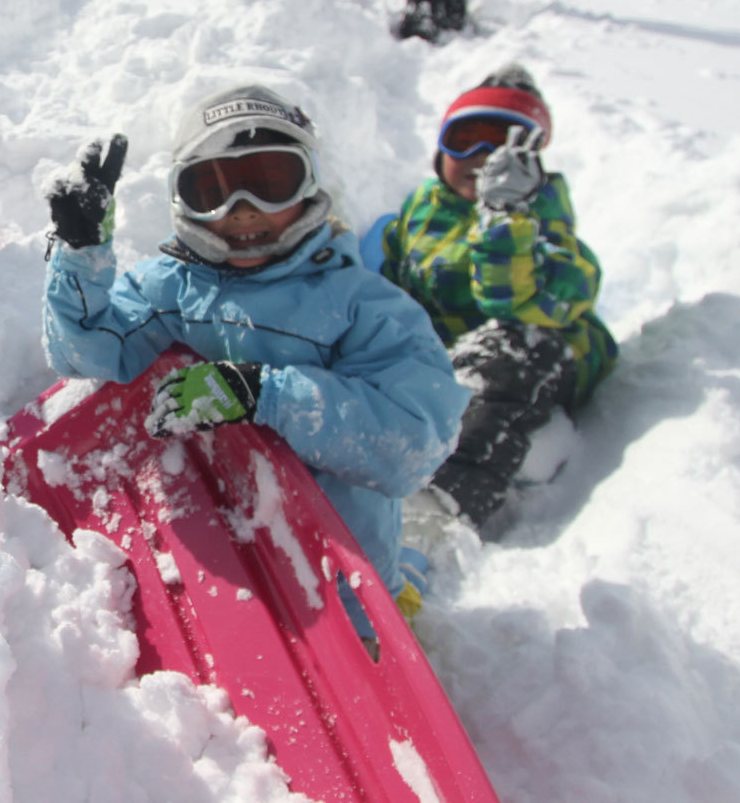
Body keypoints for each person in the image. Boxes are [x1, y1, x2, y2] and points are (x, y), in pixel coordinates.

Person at [41, 84, 468, 625]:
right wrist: (80, 257)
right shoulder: (172, 287)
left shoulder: (365, 308)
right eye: (212, 189)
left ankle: (413, 579)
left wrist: (264, 393)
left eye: (270, 183)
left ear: (310, 185)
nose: (243, 212)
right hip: (218, 575)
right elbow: (88, 353)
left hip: (336, 596)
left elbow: (415, 441)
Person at [377, 65, 616, 536]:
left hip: (537, 362)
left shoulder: (544, 220)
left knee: (511, 348)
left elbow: (516, 304)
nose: (483, 158)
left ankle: (436, 514)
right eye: (465, 140)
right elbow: (388, 289)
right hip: (450, 360)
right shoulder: (421, 210)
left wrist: (505, 218)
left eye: (505, 147)